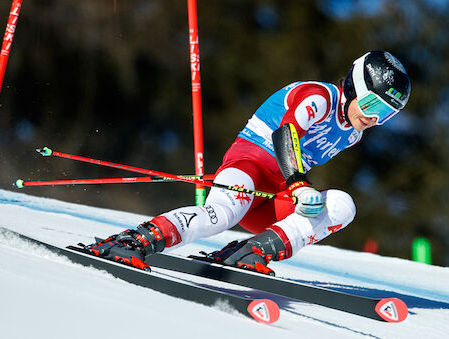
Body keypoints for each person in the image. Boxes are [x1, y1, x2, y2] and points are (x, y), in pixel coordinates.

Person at [87, 50, 411, 275]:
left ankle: (252, 251)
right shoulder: (319, 97)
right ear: (354, 85)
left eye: (385, 114)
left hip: (276, 196)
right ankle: (134, 241)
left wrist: (297, 192)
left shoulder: (351, 134)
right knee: (220, 216)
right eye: (371, 104)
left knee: (342, 206)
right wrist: (299, 184)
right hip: (249, 167)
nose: (372, 118)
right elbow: (285, 133)